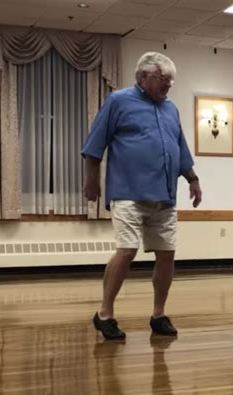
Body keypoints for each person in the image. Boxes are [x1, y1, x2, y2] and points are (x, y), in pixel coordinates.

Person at [81, 52, 202, 340]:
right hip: (128, 192)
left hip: (164, 195)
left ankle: (158, 315)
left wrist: (193, 178)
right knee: (127, 250)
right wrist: (91, 181)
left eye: (172, 81)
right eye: (163, 79)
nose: (168, 86)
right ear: (143, 77)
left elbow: (180, 147)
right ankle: (105, 313)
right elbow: (95, 143)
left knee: (167, 254)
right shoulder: (119, 101)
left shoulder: (171, 108)